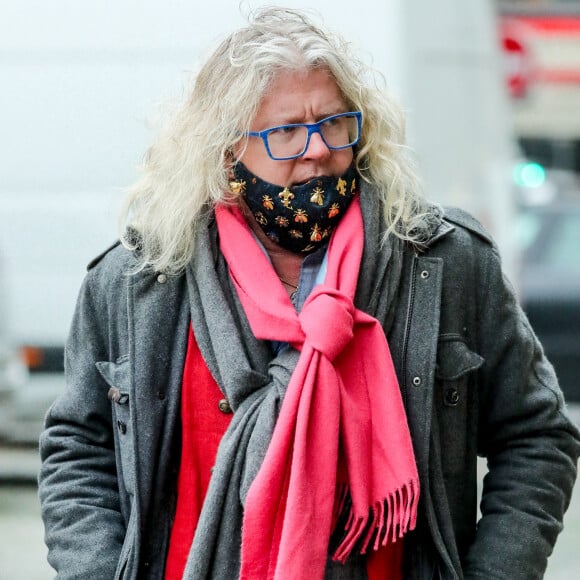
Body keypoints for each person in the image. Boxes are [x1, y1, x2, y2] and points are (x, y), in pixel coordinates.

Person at [38, 7, 580, 580]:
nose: (317, 149)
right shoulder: (137, 280)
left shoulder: (446, 263)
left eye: (334, 123)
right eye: (285, 132)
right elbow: (77, 447)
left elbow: (537, 436)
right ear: (226, 154)